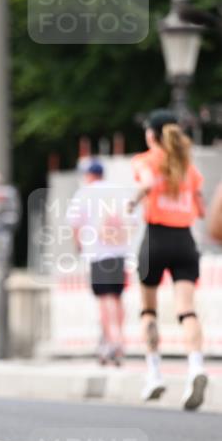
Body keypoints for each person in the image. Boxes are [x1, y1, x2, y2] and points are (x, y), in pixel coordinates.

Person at [129, 109, 206, 409]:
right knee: (187, 310)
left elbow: (147, 183)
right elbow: (200, 209)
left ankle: (154, 373)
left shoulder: (146, 160)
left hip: (157, 239)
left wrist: (131, 201)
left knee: (148, 310)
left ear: (151, 135)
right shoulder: (188, 165)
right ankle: (196, 367)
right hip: (185, 240)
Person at [66, 159, 137, 365]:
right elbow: (131, 220)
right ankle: (115, 337)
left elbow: (74, 224)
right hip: (120, 253)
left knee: (104, 298)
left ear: (88, 175)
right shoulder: (118, 192)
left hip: (98, 253)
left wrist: (79, 246)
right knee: (117, 296)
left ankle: (114, 342)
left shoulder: (84, 194)